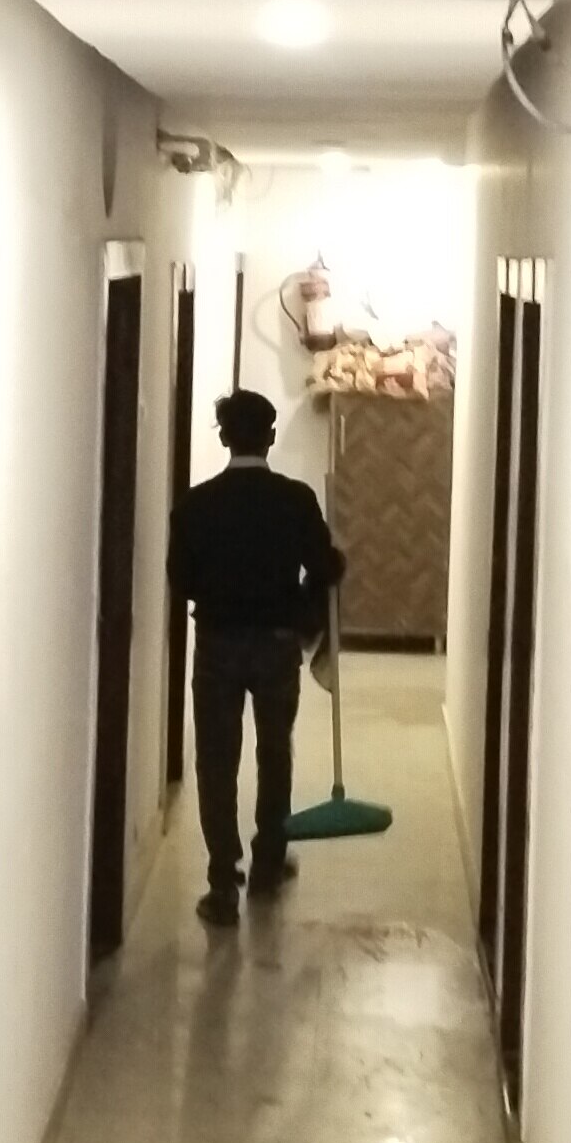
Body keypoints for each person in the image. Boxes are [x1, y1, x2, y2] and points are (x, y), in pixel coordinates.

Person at [168, 389, 343, 926]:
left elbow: (182, 581)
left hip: (218, 642)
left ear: (224, 437)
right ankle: (268, 861)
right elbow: (324, 567)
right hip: (276, 643)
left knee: (216, 760)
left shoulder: (195, 506)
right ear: (269, 437)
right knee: (274, 750)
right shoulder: (295, 500)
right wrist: (312, 592)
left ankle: (223, 880)